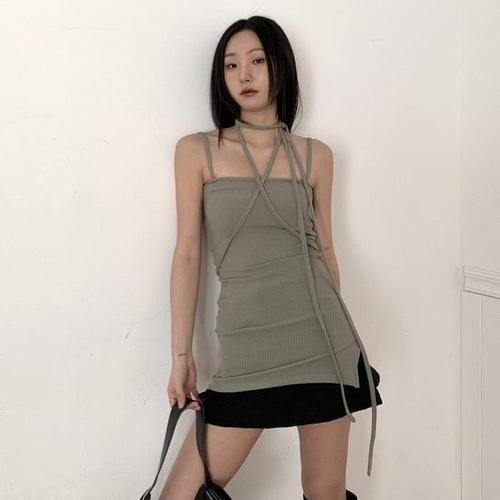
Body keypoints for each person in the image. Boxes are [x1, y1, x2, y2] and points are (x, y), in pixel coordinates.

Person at [160, 15, 383, 500]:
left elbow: (325, 250)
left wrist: (336, 339)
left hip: (322, 345)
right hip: (247, 351)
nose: (244, 75)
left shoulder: (317, 155)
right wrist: (181, 356)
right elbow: (188, 253)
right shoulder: (197, 150)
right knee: (179, 494)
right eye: (231, 65)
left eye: (257, 61)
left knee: (324, 492)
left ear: (280, 66)